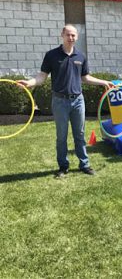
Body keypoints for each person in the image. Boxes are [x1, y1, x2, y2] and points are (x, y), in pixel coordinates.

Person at [18, 24, 114, 178]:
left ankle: (85, 164)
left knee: (80, 134)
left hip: (78, 101)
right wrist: (30, 83)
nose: (71, 38)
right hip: (60, 101)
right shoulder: (51, 55)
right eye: (68, 35)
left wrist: (103, 82)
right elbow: (42, 76)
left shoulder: (80, 56)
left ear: (77, 37)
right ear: (62, 35)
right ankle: (63, 167)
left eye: (73, 35)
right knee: (61, 136)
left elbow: (85, 78)